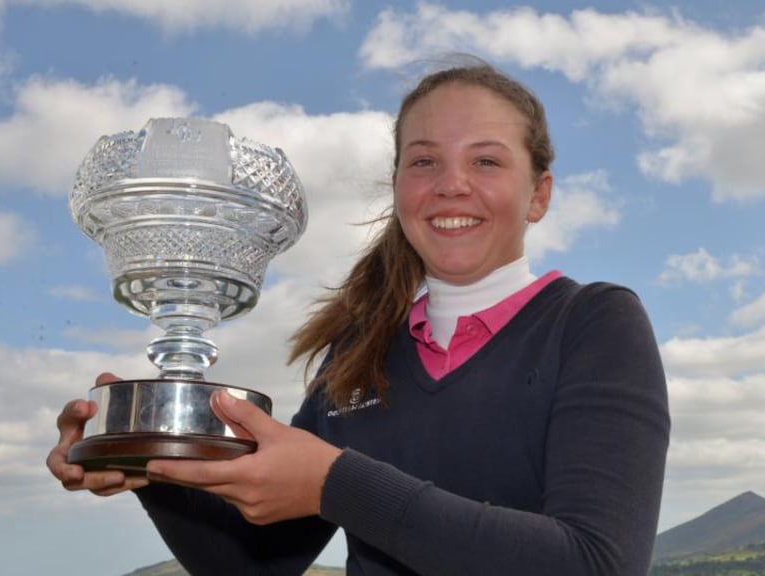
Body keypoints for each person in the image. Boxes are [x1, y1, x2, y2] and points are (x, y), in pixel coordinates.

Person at [47, 62, 670, 575]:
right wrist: (148, 458)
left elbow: (597, 562)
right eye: (424, 162)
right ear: (398, 187)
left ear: (539, 194)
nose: (451, 185)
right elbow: (256, 563)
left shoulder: (593, 323)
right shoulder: (356, 353)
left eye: (486, 161)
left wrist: (334, 482)